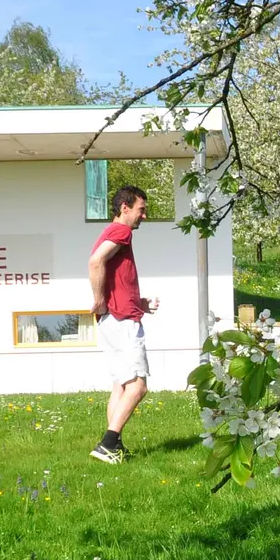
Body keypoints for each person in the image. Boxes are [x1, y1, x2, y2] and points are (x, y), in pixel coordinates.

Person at [88, 185, 159, 464]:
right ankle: (107, 444)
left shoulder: (112, 233)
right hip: (122, 321)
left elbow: (113, 275)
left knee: (120, 385)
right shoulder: (121, 231)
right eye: (141, 210)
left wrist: (138, 302)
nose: (144, 216)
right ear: (124, 208)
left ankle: (115, 447)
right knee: (138, 386)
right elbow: (96, 262)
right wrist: (99, 300)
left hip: (116, 317)